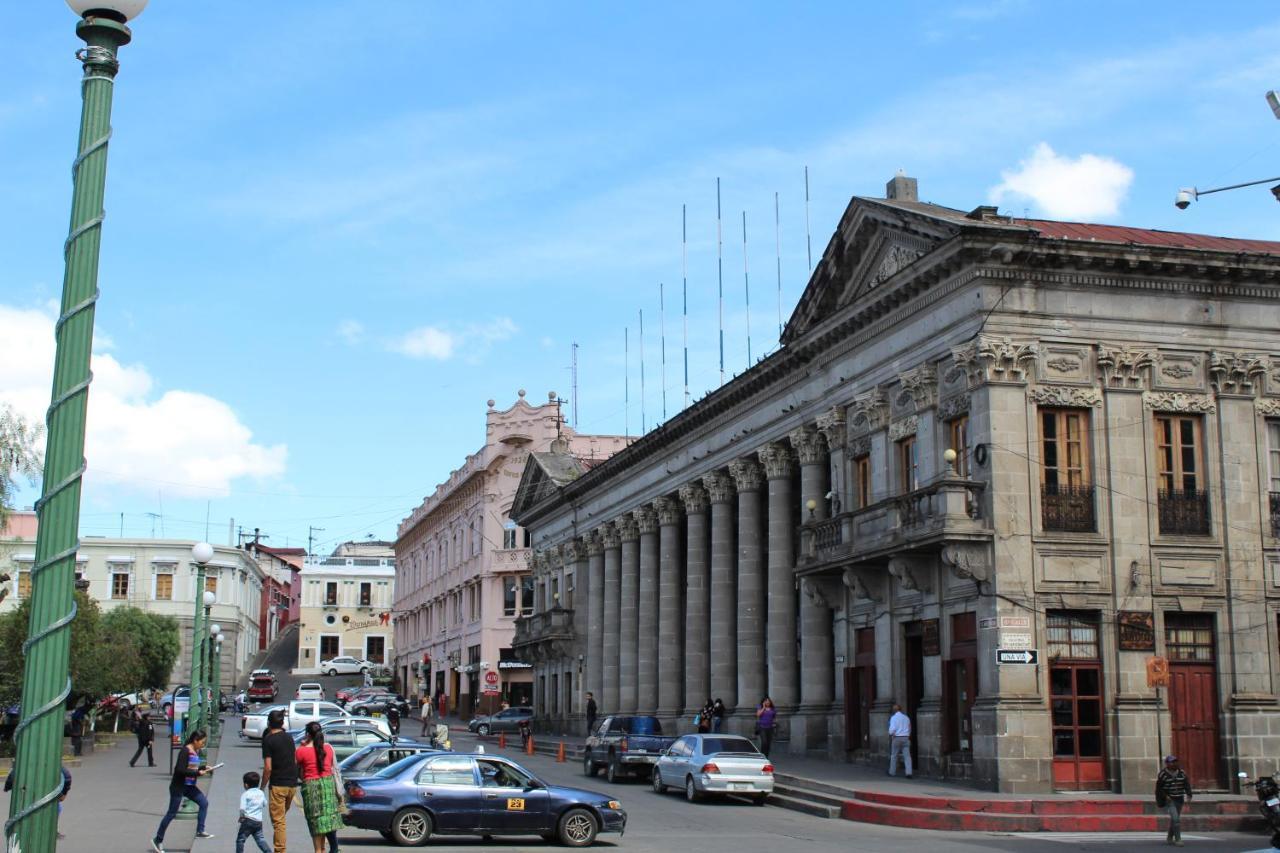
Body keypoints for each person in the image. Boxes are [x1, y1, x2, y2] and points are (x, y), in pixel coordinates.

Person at [151, 729, 214, 852]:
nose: (203, 745)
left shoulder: (194, 751)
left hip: (189, 786)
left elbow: (191, 767)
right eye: (202, 742)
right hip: (179, 787)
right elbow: (180, 770)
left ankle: (200, 830)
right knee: (171, 814)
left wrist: (203, 767)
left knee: (204, 803)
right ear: (195, 740)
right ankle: (157, 839)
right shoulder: (185, 751)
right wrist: (197, 773)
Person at [296, 721, 344, 853]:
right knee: (328, 821)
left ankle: (319, 850)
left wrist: (303, 745)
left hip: (311, 788)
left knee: (315, 823)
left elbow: (299, 773)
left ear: (307, 734)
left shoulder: (301, 751)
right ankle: (330, 849)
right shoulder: (328, 748)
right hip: (328, 786)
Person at [260, 708, 299, 853]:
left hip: (278, 785)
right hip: (292, 785)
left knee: (278, 822)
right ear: (282, 723)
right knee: (281, 818)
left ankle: (280, 850)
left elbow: (268, 768)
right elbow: (294, 760)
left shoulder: (268, 740)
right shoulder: (289, 738)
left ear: (269, 723)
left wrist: (262, 787)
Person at [4, 761, 72, 840]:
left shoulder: (22, 767)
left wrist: (7, 787)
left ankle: (51, 829)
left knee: (57, 807)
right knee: (57, 807)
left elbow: (11, 778)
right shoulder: (60, 770)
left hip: (32, 797)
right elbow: (66, 779)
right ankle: (51, 829)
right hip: (35, 796)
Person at [1156, 755, 1193, 846]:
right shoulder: (1163, 774)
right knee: (1175, 819)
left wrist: (1189, 794)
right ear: (1167, 764)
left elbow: (1186, 784)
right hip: (1170, 799)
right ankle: (1178, 839)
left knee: (1174, 820)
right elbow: (1159, 788)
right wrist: (1165, 796)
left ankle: (1169, 837)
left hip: (1179, 799)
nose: (1173, 764)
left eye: (1175, 762)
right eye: (1171, 762)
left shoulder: (1182, 773)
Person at [237, 771, 271, 853]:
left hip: (248, 820)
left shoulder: (246, 794)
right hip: (258, 822)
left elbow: (242, 808)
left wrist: (241, 817)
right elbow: (264, 804)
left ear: (246, 785)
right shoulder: (261, 793)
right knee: (260, 839)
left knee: (241, 840)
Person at [887, 703, 913, 779]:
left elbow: (892, 729)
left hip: (897, 738)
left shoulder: (893, 718)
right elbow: (909, 728)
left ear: (894, 711)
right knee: (907, 756)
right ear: (900, 709)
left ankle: (892, 772)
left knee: (894, 756)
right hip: (905, 737)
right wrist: (907, 735)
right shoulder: (906, 717)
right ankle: (909, 773)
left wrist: (891, 733)